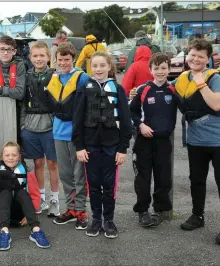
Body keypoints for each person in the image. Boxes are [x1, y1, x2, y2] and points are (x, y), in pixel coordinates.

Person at [73, 51, 133, 239]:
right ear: (91, 68)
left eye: (102, 65)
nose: (99, 69)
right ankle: (96, 219)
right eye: (95, 66)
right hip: (90, 147)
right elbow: (77, 119)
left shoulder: (117, 88)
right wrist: (79, 146)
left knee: (109, 185)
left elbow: (125, 120)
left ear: (109, 67)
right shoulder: (84, 88)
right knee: (94, 184)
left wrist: (123, 148)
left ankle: (109, 219)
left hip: (111, 147)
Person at [173, 39, 220, 245]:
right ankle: (197, 215)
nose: (195, 59)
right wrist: (137, 91)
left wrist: (200, 81)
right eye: (193, 55)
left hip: (218, 141)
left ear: (208, 59)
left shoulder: (215, 78)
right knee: (197, 181)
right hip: (195, 141)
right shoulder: (182, 78)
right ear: (187, 54)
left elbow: (216, 104)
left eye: (201, 56)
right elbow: (165, 89)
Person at [129, 53, 179, 228]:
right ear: (150, 70)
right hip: (144, 141)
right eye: (156, 68)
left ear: (169, 69)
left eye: (163, 68)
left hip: (163, 141)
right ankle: (142, 211)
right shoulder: (143, 90)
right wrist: (141, 125)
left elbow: (186, 107)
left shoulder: (173, 90)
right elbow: (132, 112)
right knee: (143, 178)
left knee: (163, 177)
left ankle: (159, 209)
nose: (160, 72)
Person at [45, 42, 91, 225]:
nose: (63, 63)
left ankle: (81, 211)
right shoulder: (54, 78)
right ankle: (71, 208)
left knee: (79, 174)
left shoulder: (82, 77)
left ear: (73, 59)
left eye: (67, 59)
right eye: (60, 60)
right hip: (58, 133)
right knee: (65, 174)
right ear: (55, 61)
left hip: (76, 134)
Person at [0, 141, 50, 251]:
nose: (10, 158)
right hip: (2, 214)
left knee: (23, 192)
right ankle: (4, 233)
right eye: (7, 155)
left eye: (14, 155)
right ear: (2, 156)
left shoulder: (26, 169)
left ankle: (36, 230)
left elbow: (34, 193)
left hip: (21, 214)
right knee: (5, 193)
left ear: (19, 156)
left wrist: (29, 215)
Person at [20, 41, 60, 216]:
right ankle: (41, 197)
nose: (38, 59)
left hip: (50, 125)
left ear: (48, 57)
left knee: (52, 163)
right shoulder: (26, 77)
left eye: (42, 55)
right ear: (30, 57)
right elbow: (21, 103)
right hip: (30, 125)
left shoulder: (55, 75)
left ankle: (55, 199)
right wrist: (22, 125)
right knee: (37, 163)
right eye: (35, 55)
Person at [0, 36, 26, 169]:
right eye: (2, 49)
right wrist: (10, 91)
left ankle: (19, 182)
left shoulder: (20, 65)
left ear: (14, 51)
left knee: (16, 147)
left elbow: (20, 93)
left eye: (9, 50)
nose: (5, 53)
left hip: (16, 110)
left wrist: (0, 88)